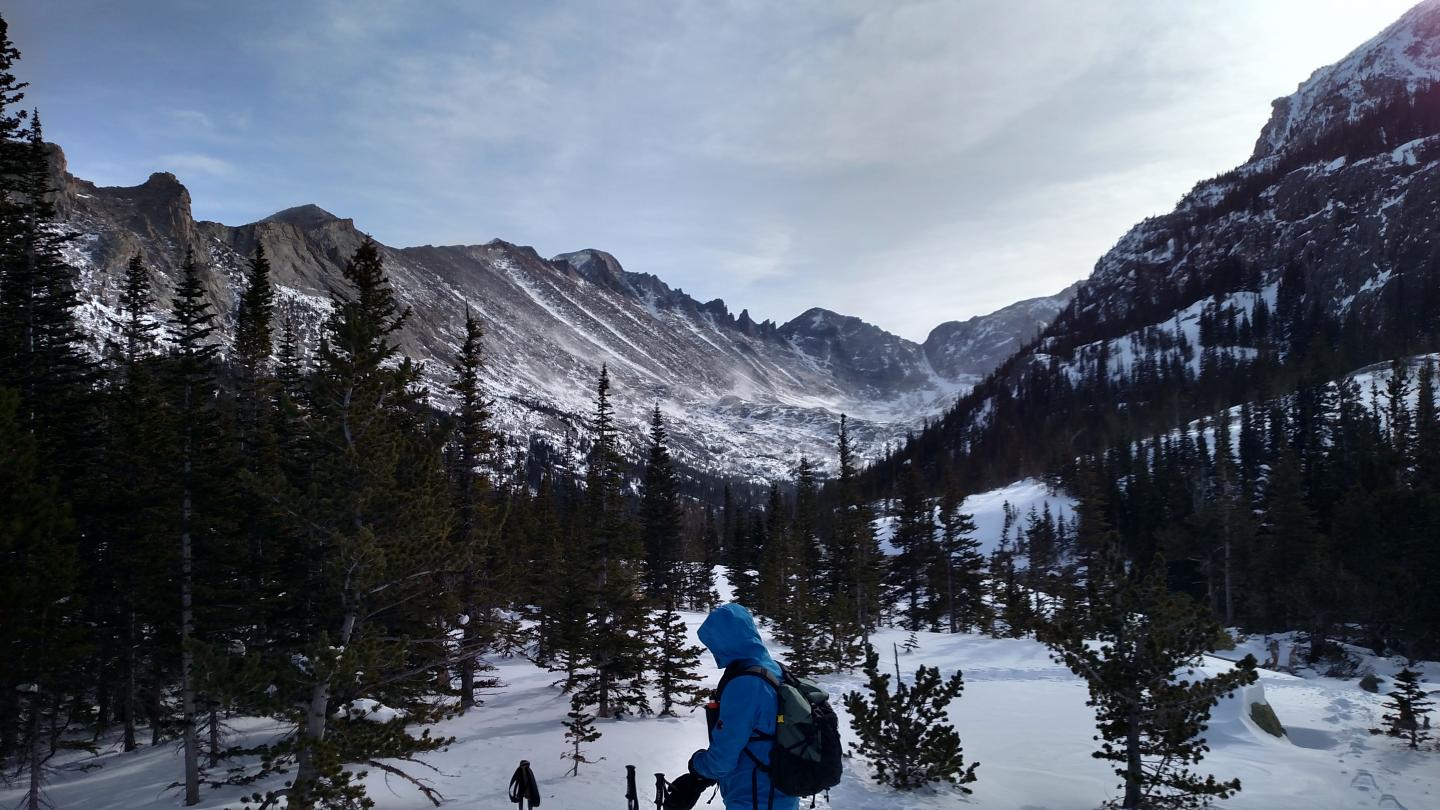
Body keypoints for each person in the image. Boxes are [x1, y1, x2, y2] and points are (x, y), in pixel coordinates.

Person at [664, 604, 799, 810]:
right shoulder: (774, 670)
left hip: (755, 798)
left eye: (713, 642)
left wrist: (697, 767)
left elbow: (723, 758)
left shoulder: (746, 683)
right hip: (780, 794)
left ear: (725, 640)